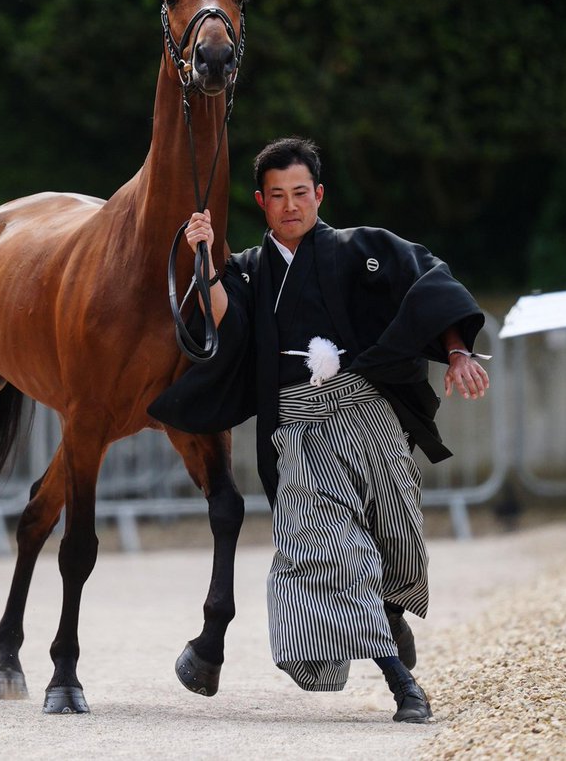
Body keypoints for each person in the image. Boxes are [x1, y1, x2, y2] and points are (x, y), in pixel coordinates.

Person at [150, 137, 490, 724]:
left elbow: (429, 283)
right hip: (299, 433)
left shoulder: (361, 249)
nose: (290, 205)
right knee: (335, 551)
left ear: (319, 195)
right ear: (260, 201)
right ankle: (402, 683)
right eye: (277, 195)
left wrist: (458, 352)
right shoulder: (252, 271)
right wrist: (204, 257)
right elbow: (221, 314)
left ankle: (389, 608)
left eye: (300, 193)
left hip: (367, 416)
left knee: (396, 540)